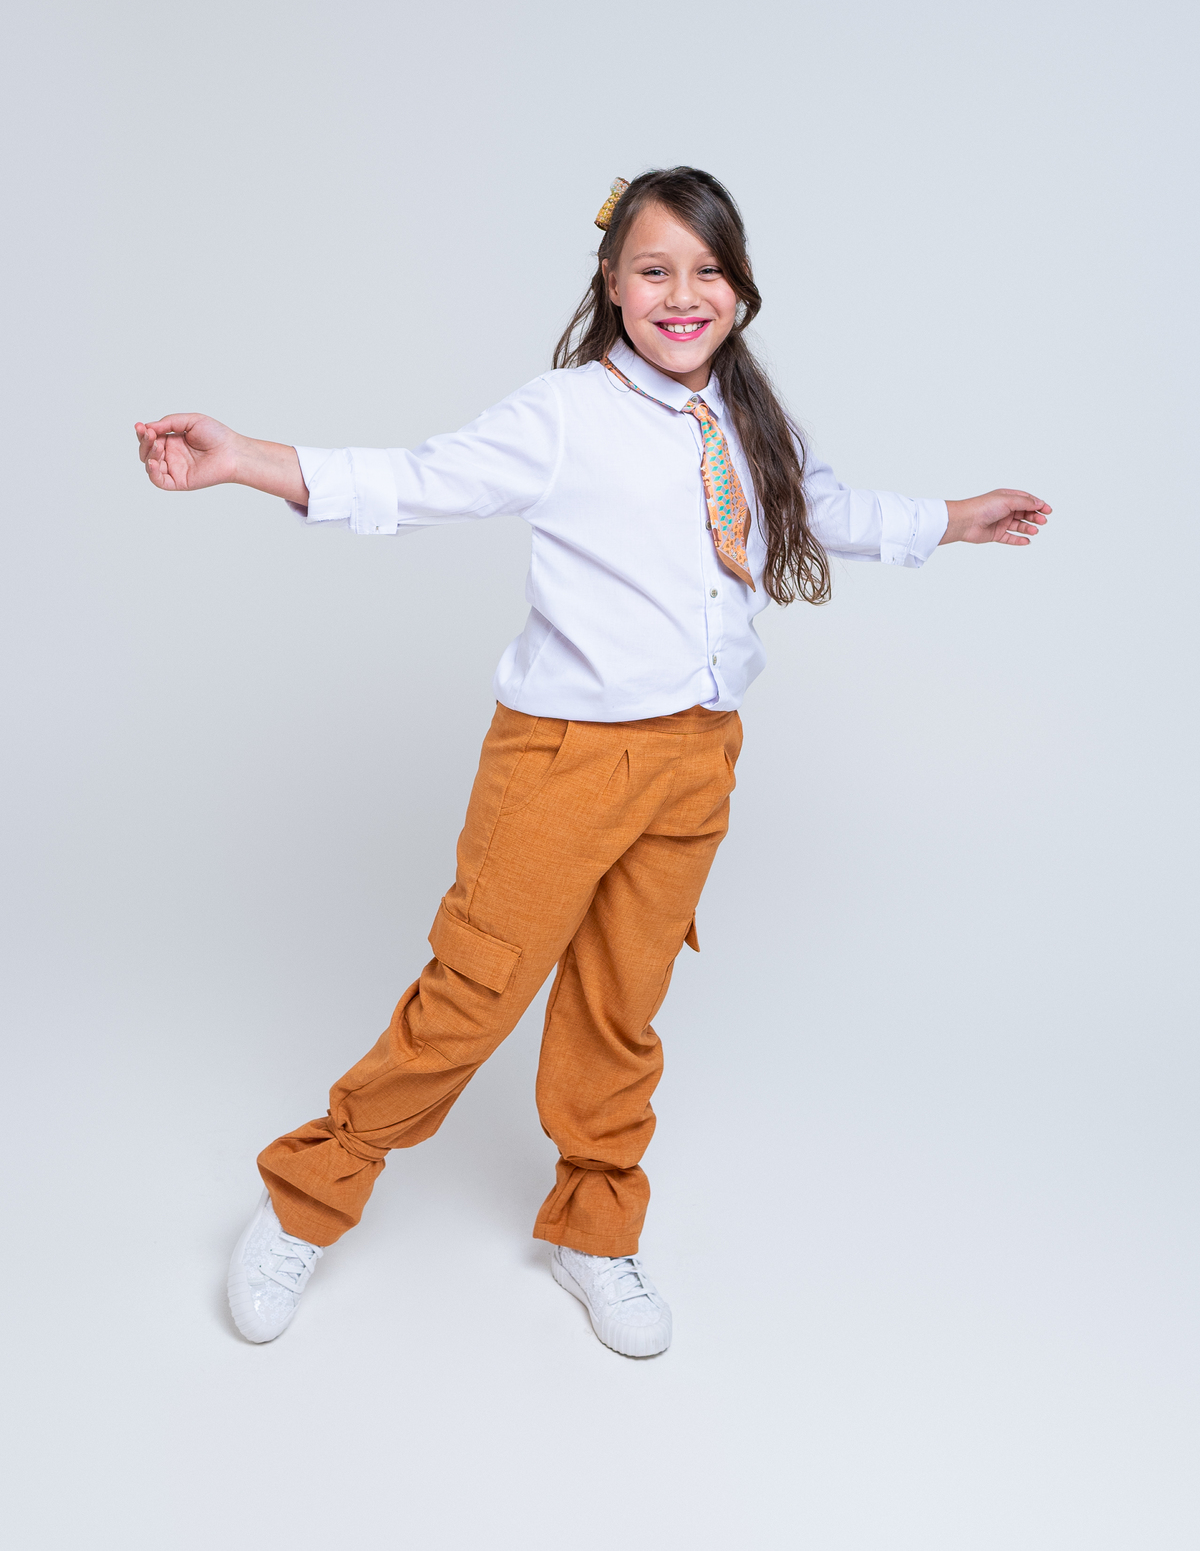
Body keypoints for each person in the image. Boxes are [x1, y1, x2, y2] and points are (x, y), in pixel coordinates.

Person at [135, 166, 1050, 1356]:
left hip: (697, 759)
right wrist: (246, 457)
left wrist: (954, 519)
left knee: (621, 1009)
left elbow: (820, 509)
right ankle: (308, 1197)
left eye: (707, 270)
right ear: (613, 283)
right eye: (654, 269)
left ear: (741, 288)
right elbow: (419, 480)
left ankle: (595, 1228)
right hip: (563, 762)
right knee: (472, 996)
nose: (683, 294)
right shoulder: (564, 413)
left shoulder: (755, 420)